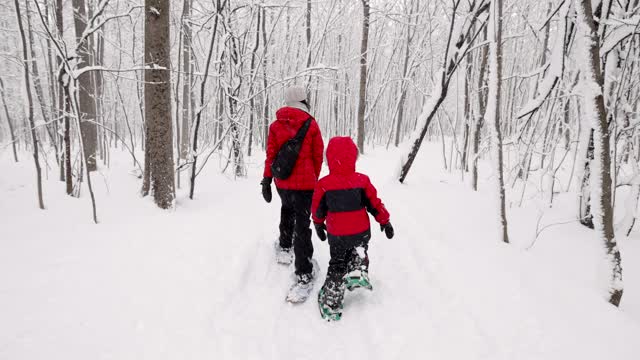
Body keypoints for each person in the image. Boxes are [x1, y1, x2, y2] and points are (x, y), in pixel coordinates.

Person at [311, 136, 394, 317]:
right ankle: (357, 268)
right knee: (359, 250)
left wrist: (318, 224)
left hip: (338, 234)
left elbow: (317, 209)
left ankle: (332, 303)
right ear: (353, 157)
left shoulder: (324, 185)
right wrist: (384, 221)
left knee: (337, 264)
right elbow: (374, 203)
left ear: (329, 158)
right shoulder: (362, 181)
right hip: (360, 232)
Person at [261, 86, 324, 289]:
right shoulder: (311, 125)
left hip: (283, 182)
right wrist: (314, 176)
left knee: (286, 209)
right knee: (302, 224)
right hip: (305, 185)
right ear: (304, 100)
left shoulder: (275, 126)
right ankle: (304, 272)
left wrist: (267, 180)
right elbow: (317, 155)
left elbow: (271, 156)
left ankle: (285, 245)